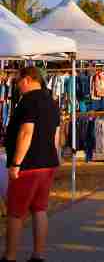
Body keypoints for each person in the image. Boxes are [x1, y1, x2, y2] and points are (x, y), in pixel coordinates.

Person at [3, 67, 61, 262]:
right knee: (39, 209)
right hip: (48, 163)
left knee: (15, 213)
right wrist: (55, 158)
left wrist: (16, 163)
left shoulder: (28, 101)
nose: (16, 86)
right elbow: (57, 135)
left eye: (18, 81)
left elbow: (26, 132)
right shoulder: (52, 102)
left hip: (29, 165)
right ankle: (38, 254)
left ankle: (10, 256)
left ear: (27, 80)